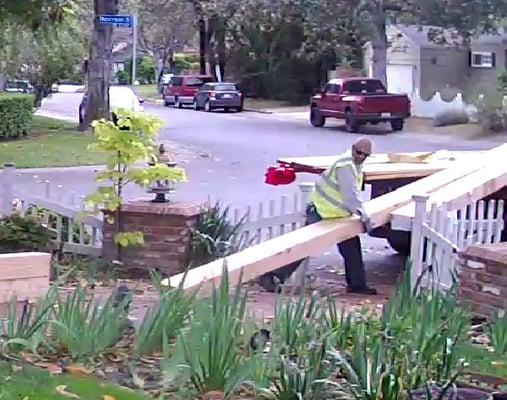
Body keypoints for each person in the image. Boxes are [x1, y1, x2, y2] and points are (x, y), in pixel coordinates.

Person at [258, 137, 377, 295]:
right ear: (353, 148)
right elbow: (350, 197)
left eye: (365, 155)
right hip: (321, 212)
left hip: (336, 216)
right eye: (359, 153)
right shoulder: (346, 166)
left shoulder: (354, 165)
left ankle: (357, 284)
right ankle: (271, 277)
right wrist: (364, 217)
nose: (361, 157)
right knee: (304, 247)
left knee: (351, 248)